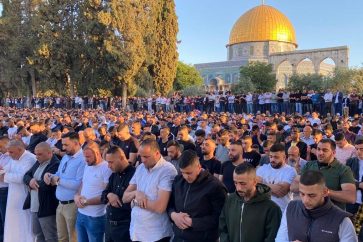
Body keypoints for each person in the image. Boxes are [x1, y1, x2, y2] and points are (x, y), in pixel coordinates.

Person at [275, 170, 358, 242]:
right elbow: (280, 239)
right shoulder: (291, 208)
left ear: (325, 192)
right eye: (302, 194)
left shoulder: (342, 220)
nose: (305, 200)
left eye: (312, 195)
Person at [122, 139, 177, 242]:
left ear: (157, 153)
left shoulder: (167, 170)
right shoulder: (140, 168)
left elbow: (160, 207)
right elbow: (125, 197)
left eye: (146, 157)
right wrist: (136, 193)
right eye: (141, 156)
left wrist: (135, 201)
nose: (142, 160)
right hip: (136, 231)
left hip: (156, 235)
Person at [168, 150, 227, 242]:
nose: (185, 177)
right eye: (183, 172)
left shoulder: (215, 186)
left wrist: (193, 222)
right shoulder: (178, 180)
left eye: (189, 173)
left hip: (202, 238)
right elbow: (170, 205)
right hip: (178, 236)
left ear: (199, 167)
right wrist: (173, 215)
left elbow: (220, 218)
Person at [219, 163, 282, 242]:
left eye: (243, 183)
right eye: (235, 183)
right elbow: (223, 228)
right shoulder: (230, 200)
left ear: (255, 181)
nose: (238, 188)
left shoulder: (272, 208)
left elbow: (272, 238)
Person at [44, 132, 86, 242]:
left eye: (66, 145)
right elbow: (59, 173)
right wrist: (50, 175)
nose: (63, 148)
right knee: (61, 238)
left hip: (72, 205)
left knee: (74, 238)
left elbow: (78, 184)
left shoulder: (83, 159)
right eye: (62, 145)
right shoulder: (66, 157)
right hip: (60, 204)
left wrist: (58, 180)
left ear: (76, 143)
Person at [291, 139, 356, 210]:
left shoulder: (343, 170)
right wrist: (314, 189)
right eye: (318, 149)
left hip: (332, 216)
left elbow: (351, 197)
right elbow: (293, 187)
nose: (320, 153)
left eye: (325, 150)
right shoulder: (309, 165)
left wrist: (326, 192)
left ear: (333, 152)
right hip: (308, 213)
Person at [74, 142, 112, 242]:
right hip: (81, 214)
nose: (86, 159)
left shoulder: (106, 168)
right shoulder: (88, 165)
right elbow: (83, 183)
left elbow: (105, 195)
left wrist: (86, 202)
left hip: (95, 217)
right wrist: (77, 195)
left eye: (88, 156)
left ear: (97, 153)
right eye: (84, 156)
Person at [23, 142, 60, 242]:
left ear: (49, 153)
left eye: (39, 154)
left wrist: (34, 183)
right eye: (35, 154)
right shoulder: (38, 162)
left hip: (47, 208)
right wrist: (30, 181)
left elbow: (46, 185)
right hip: (35, 206)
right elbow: (26, 175)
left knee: (51, 237)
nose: (36, 156)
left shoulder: (55, 164)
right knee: (38, 236)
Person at [2, 140, 37, 242]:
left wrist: (4, 176)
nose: (9, 154)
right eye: (8, 151)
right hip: (13, 195)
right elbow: (7, 168)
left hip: (24, 196)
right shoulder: (14, 157)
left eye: (11, 152)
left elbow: (23, 177)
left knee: (25, 222)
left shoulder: (30, 159)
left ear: (20, 149)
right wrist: (2, 170)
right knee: (13, 221)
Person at [101, 146, 135, 242]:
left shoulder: (135, 175)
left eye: (111, 162)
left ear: (121, 158)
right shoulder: (114, 174)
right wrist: (109, 195)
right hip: (109, 226)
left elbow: (132, 203)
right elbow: (103, 196)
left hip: (125, 228)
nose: (108, 166)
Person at [257, 143, 297, 211]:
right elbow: (255, 187)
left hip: (282, 211)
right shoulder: (262, 169)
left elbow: (281, 191)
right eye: (271, 156)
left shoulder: (291, 171)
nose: (272, 160)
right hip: (263, 211)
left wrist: (261, 184)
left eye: (276, 157)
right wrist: (274, 187)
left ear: (284, 157)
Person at [0, 137, 10, 242]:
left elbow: (5, 175)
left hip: (4, 190)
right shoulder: (2, 156)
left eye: (1, 146)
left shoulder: (10, 157)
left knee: (4, 218)